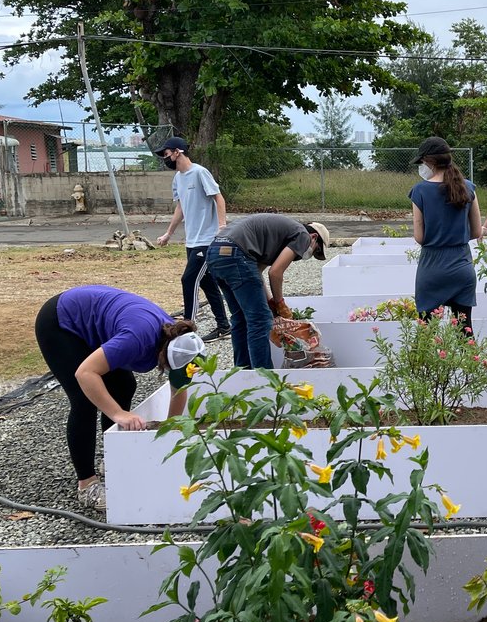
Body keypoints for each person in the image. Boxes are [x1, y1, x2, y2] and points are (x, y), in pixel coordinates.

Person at [34, 285, 206, 511]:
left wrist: (169, 433)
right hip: (61, 322)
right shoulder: (137, 340)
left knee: (124, 385)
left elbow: (178, 390)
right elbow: (85, 373)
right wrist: (118, 414)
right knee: (84, 400)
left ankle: (112, 456)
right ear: (163, 355)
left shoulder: (180, 339)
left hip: (97, 323)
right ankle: (87, 484)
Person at [206, 214, 331, 369]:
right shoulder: (303, 235)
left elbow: (256, 273)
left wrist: (270, 301)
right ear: (314, 237)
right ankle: (264, 377)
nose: (311, 254)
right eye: (316, 250)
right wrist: (280, 304)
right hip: (236, 254)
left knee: (241, 317)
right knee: (260, 320)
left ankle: (242, 372)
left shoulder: (277, 237)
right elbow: (275, 273)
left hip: (215, 252)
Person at [154, 136, 231, 343]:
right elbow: (180, 208)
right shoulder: (178, 178)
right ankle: (224, 326)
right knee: (208, 285)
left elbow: (218, 197)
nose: (165, 158)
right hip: (192, 241)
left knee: (188, 279)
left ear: (177, 152)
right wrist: (168, 233)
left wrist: (221, 227)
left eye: (166, 154)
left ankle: (187, 329)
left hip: (208, 241)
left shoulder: (199, 172)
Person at [410, 137, 483, 327]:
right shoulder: (468, 187)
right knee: (464, 332)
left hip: (432, 267)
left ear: (429, 161)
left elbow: (420, 237)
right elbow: (476, 231)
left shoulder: (419, 191)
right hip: (462, 266)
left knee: (426, 334)